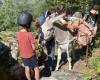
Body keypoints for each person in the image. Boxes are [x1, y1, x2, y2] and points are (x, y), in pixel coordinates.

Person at [17, 11, 39, 80]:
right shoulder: (29, 34)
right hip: (31, 56)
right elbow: (34, 47)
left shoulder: (18, 34)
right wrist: (35, 51)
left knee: (27, 68)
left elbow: (20, 44)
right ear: (28, 24)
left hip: (23, 56)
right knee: (36, 69)